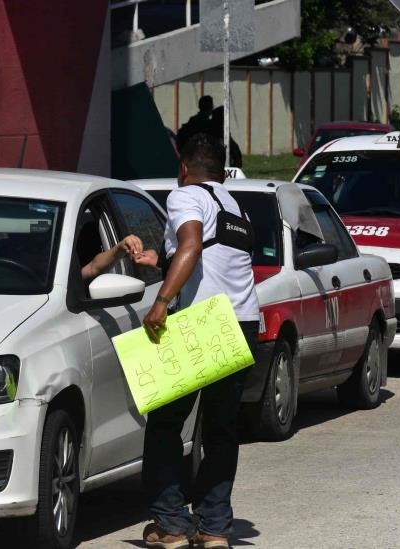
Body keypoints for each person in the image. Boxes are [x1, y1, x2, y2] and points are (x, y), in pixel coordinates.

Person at [140, 133, 261, 549]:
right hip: (243, 321)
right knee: (222, 430)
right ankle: (214, 528)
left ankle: (172, 525)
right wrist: (163, 260)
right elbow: (212, 253)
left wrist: (161, 300)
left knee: (165, 423)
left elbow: (192, 244)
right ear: (224, 172)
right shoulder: (233, 203)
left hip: (202, 322)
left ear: (185, 169)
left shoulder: (185, 195)